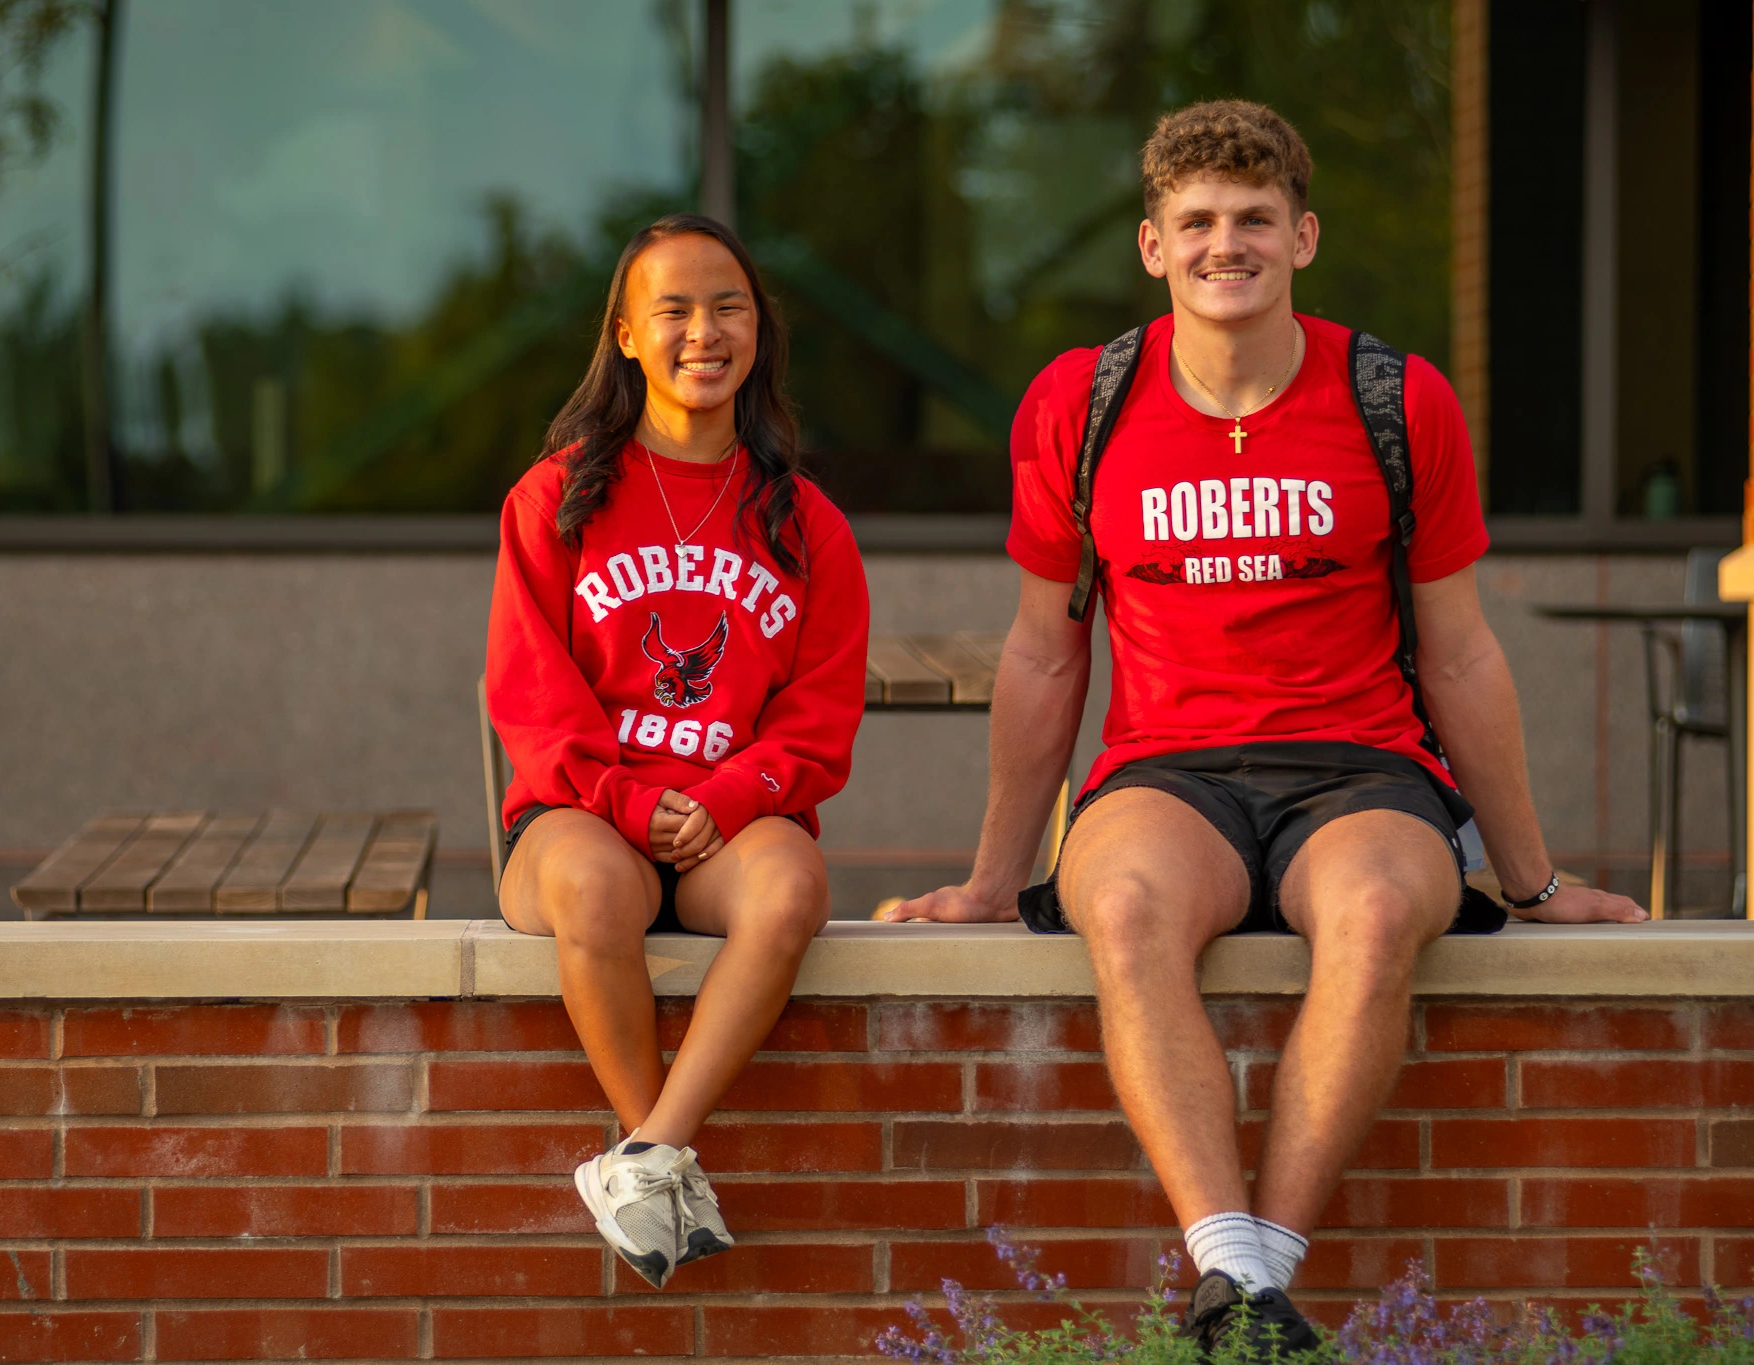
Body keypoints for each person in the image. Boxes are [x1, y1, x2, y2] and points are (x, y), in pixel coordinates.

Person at [882, 102, 1646, 1355]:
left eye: (1251, 218)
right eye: (1193, 222)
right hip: (1164, 773)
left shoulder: (1394, 398)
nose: (1221, 244)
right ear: (1150, 245)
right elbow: (1042, 648)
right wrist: (989, 879)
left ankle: (1251, 1274)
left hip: (1361, 770)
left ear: (1302, 236)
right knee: (1120, 906)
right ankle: (1235, 1269)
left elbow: (1459, 652)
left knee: (1379, 912)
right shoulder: (1082, 401)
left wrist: (1533, 881)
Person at [485, 213, 869, 1289]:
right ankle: (653, 1158)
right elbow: (529, 693)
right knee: (597, 888)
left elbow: (819, 714)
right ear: (625, 335)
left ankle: (648, 1152)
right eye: (675, 309)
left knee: (791, 888)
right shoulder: (555, 499)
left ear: (760, 330)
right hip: (576, 818)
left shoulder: (806, 523)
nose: (705, 331)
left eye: (729, 306)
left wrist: (734, 795)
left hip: (726, 825)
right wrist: (617, 798)